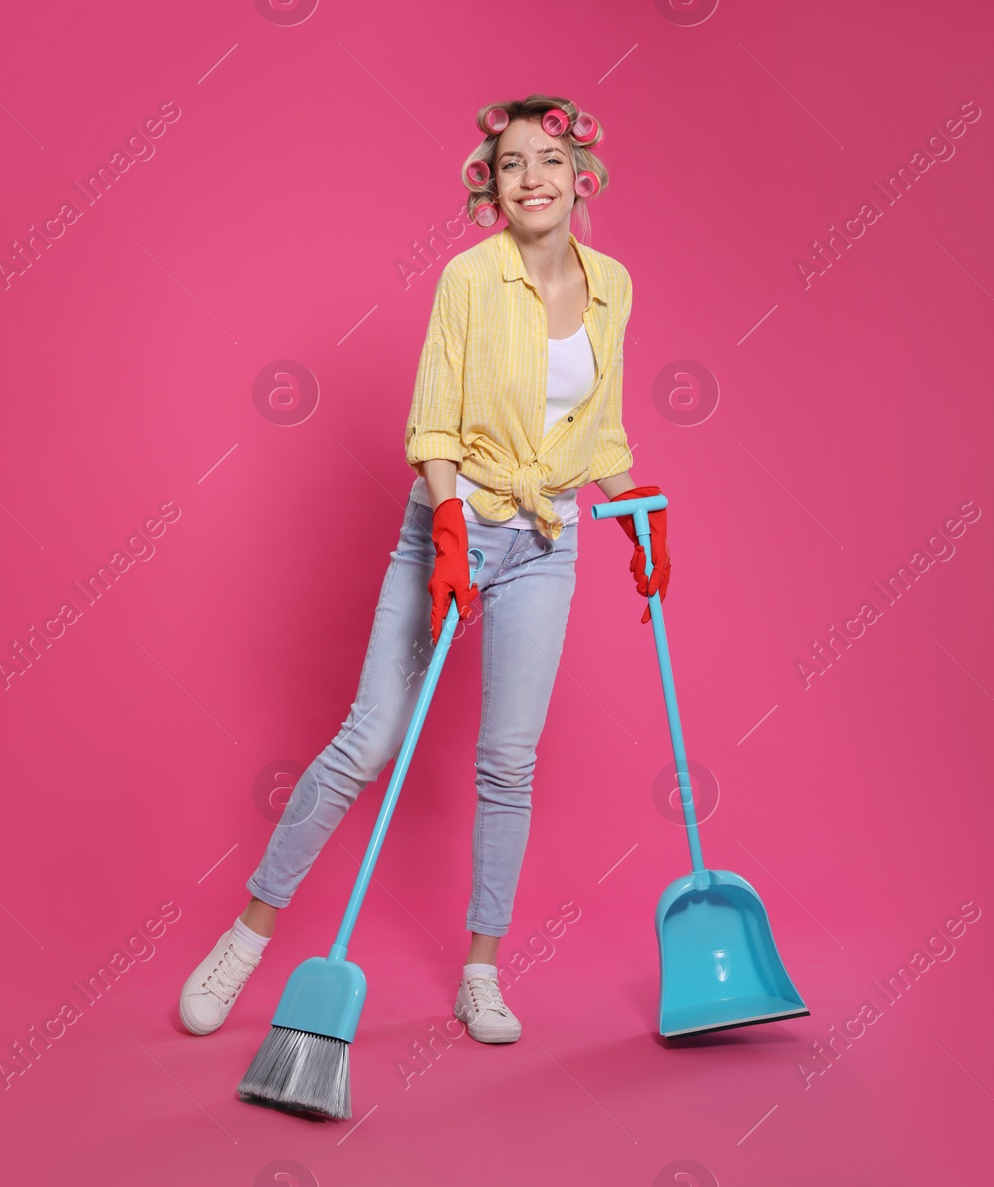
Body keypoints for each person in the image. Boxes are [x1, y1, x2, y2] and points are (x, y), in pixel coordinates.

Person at [177, 94, 670, 1045]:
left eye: (549, 161)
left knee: (507, 764)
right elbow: (433, 420)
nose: (532, 177)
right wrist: (446, 521)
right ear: (491, 186)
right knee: (369, 739)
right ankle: (247, 935)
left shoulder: (613, 284)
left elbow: (598, 429)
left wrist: (635, 516)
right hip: (452, 521)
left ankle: (481, 972)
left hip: (545, 541)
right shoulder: (468, 280)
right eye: (512, 163)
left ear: (581, 178)